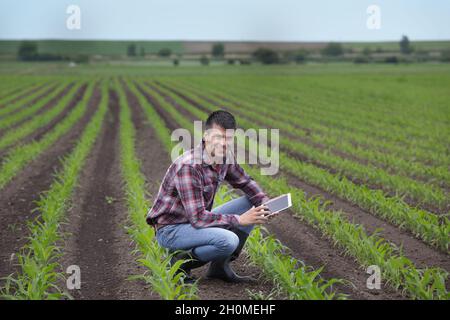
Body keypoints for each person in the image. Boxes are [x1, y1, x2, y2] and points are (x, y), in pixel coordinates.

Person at [146, 110, 278, 283]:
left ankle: (219, 268)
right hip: (171, 229)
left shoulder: (223, 157)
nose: (223, 143)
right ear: (206, 136)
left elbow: (245, 182)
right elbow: (198, 218)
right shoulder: (190, 166)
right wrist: (239, 220)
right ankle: (181, 262)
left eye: (228, 138)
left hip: (193, 221)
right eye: (218, 137)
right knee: (229, 240)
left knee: (252, 202)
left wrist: (265, 203)